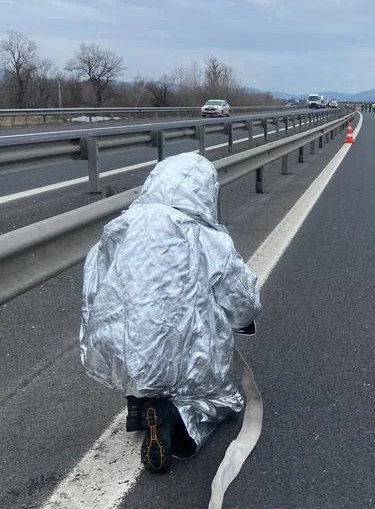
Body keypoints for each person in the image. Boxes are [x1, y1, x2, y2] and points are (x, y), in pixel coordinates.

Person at [80, 152, 261, 474]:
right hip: (181, 351)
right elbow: (240, 295)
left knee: (139, 347)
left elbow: (93, 286)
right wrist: (242, 321)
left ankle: (138, 400)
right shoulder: (206, 238)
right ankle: (173, 417)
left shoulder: (118, 228)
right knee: (220, 398)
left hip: (118, 345)